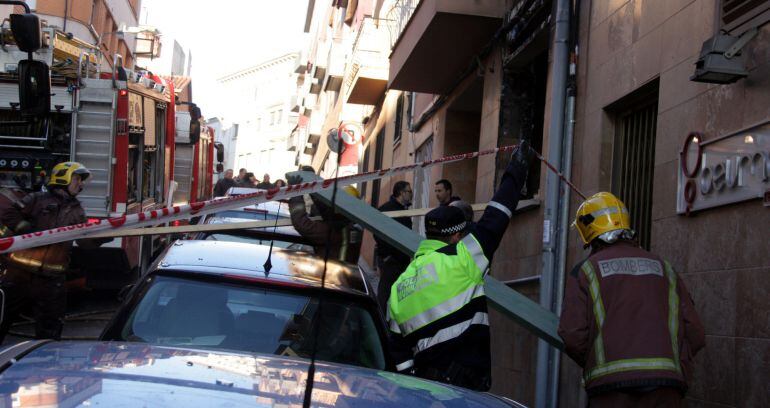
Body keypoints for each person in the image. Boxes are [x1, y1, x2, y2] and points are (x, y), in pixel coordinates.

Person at [387, 142, 531, 391]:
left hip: (422, 391)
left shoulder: (399, 286)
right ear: (456, 236)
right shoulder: (463, 258)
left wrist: (413, 383)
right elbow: (497, 214)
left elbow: (398, 352)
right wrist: (517, 168)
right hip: (463, 390)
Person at [558, 192, 705, 407]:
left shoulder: (585, 270)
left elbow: (572, 334)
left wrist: (597, 361)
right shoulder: (665, 268)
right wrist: (677, 368)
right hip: (666, 388)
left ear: (588, 234)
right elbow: (696, 334)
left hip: (611, 390)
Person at [0, 162, 111, 342]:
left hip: (52, 282)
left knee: (49, 333)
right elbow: (8, 213)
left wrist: (99, 239)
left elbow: (83, 242)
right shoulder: (36, 199)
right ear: (63, 178)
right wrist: (22, 226)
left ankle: (43, 367)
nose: (80, 185)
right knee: (2, 319)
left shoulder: (76, 212)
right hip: (18, 276)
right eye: (77, 179)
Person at [286, 176, 362, 265]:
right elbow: (327, 213)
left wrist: (296, 194)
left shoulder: (334, 232)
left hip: (333, 276)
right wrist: (314, 191)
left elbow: (302, 223)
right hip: (343, 274)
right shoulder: (351, 227)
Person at [374, 180, 413, 313]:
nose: (411, 194)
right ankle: (380, 323)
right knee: (384, 294)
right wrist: (387, 256)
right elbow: (378, 234)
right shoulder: (387, 209)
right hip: (391, 261)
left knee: (401, 295)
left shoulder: (403, 210)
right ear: (402, 193)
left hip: (401, 260)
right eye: (409, 191)